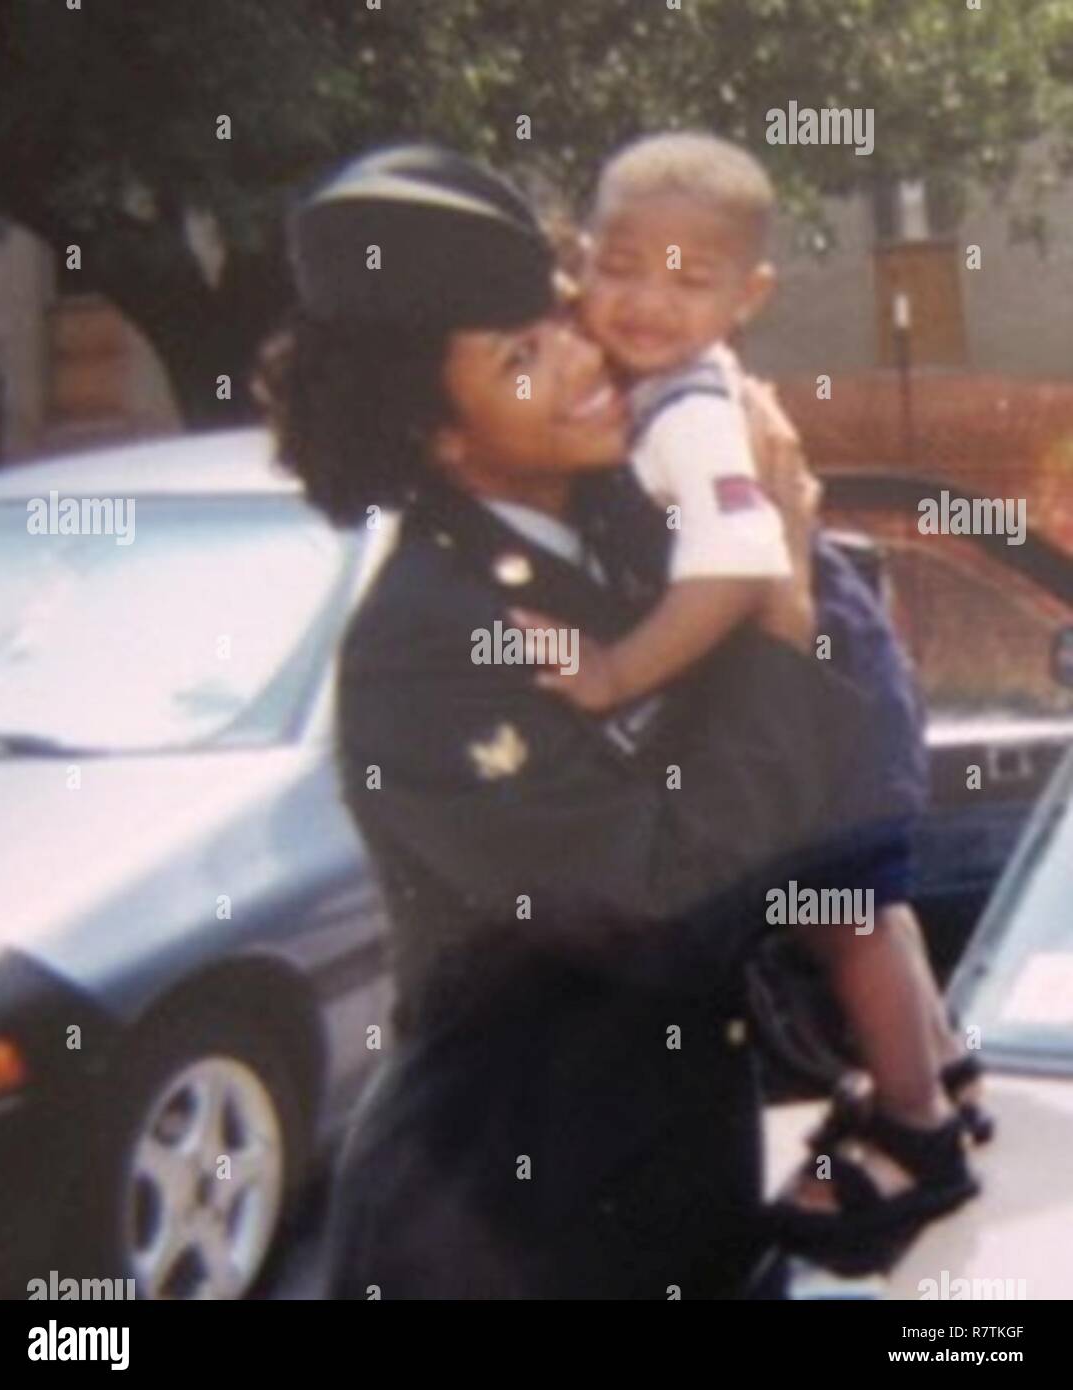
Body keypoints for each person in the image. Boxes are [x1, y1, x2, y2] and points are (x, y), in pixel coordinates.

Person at [265, 144, 923, 1298]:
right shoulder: (430, 640)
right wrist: (775, 614)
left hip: (685, 1194)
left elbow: (808, 771)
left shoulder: (629, 524)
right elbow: (666, 911)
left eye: (561, 313)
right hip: (505, 1229)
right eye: (524, 355)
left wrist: (783, 562)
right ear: (435, 434)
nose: (587, 353)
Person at [502, 131, 984, 1262]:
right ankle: (938, 1061)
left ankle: (918, 1129)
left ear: (750, 293)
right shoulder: (652, 389)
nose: (648, 303)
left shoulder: (691, 414)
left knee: (841, 909)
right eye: (621, 268)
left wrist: (616, 674)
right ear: (579, 260)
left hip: (826, 684)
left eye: (690, 278)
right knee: (860, 902)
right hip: (836, 674)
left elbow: (731, 565)